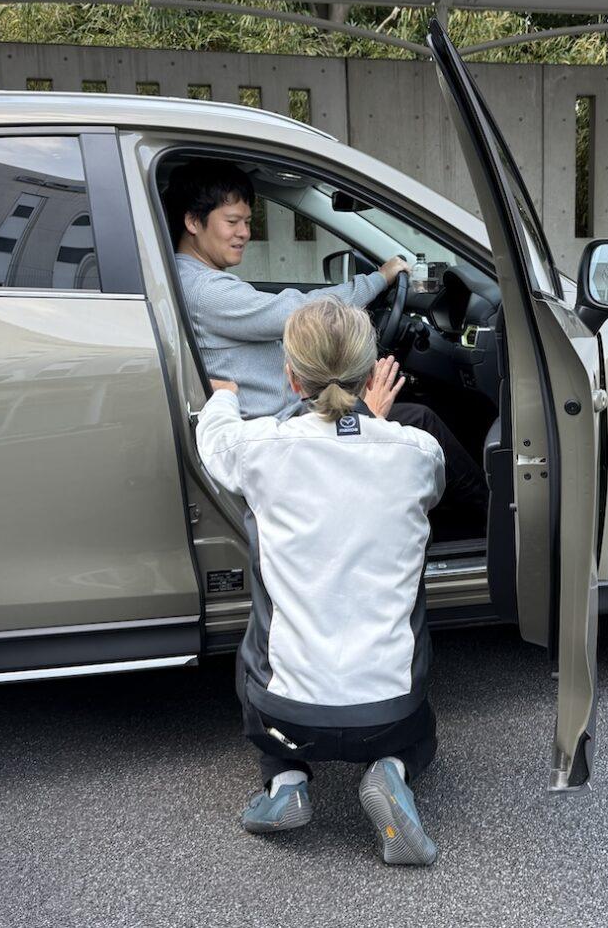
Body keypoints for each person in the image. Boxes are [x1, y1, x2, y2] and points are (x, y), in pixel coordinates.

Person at [196, 297, 444, 866]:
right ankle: (391, 770)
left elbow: (214, 439)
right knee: (421, 732)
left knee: (259, 649)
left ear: (291, 377)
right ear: (370, 372)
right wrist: (372, 423)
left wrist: (225, 394)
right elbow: (417, 485)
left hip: (285, 716)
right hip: (390, 715)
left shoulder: (258, 449)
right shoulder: (418, 451)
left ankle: (285, 781)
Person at [169, 161, 487, 519]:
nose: (244, 232)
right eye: (232, 222)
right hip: (283, 426)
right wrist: (379, 279)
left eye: (247, 221)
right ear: (193, 222)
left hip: (285, 415)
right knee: (421, 420)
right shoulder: (205, 290)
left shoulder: (194, 278)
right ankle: (493, 516)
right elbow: (301, 312)